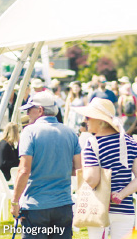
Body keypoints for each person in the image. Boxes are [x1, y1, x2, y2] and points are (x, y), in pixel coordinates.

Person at [11, 91, 82, 239]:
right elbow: (79, 169)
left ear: (40, 110)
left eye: (29, 110)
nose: (27, 114)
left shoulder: (29, 131)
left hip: (36, 206)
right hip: (63, 205)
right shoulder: (70, 132)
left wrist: (15, 201)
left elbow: (24, 170)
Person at [75, 98, 137, 239]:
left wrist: (84, 161)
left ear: (100, 121)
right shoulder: (129, 141)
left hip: (100, 209)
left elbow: (92, 179)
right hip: (125, 209)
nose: (85, 120)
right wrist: (121, 195)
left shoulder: (93, 143)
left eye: (89, 117)